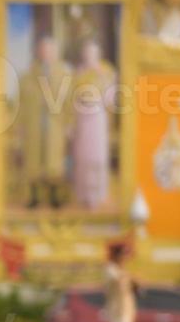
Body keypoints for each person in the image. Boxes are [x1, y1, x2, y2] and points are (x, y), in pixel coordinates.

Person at [18, 35, 71, 210]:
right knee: (34, 161)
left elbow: (69, 102)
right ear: (38, 52)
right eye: (43, 49)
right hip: (34, 124)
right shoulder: (29, 74)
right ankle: (34, 197)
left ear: (55, 52)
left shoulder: (63, 73)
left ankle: (55, 197)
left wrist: (70, 124)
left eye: (49, 50)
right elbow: (21, 103)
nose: (46, 53)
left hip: (55, 125)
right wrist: (20, 125)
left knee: (54, 161)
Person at [71, 39, 118, 212]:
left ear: (98, 54)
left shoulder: (106, 72)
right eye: (87, 53)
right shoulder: (78, 73)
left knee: (97, 156)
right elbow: (71, 98)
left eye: (93, 53)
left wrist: (103, 83)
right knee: (84, 156)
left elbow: (112, 98)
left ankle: (98, 194)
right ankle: (84, 194)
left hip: (98, 118)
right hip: (82, 119)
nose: (89, 56)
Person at [105, 242, 138, 322]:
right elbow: (118, 281)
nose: (126, 258)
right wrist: (128, 276)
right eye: (123, 254)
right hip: (118, 311)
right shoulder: (111, 269)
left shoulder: (121, 270)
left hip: (127, 310)